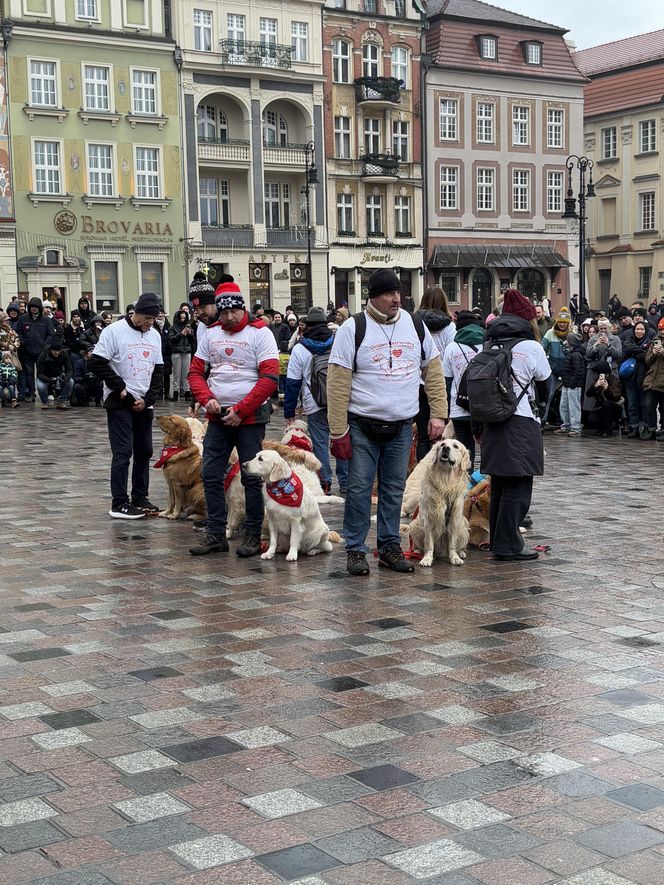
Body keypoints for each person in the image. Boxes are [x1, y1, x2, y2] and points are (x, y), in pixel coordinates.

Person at [327, 268, 447, 576]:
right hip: (362, 425)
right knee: (358, 489)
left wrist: (438, 413)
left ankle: (390, 546)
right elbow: (338, 382)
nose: (397, 298)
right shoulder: (353, 328)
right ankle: (355, 549)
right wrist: (338, 430)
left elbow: (432, 370)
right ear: (373, 297)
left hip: (402, 426)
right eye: (389, 294)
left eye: (399, 293)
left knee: (394, 490)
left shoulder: (415, 325)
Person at [188, 281, 279, 557]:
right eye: (224, 313)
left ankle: (252, 535)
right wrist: (207, 399)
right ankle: (216, 533)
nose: (228, 318)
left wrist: (241, 410)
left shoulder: (260, 334)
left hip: (249, 418)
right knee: (210, 473)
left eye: (234, 312)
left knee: (252, 477)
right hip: (217, 416)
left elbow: (269, 378)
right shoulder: (211, 333)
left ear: (243, 308)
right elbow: (195, 373)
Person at [479, 289, 551, 562]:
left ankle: (499, 539)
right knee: (517, 487)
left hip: (492, 420)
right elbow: (545, 383)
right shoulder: (531, 346)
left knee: (499, 484)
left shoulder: (490, 344)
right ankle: (509, 545)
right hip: (520, 420)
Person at [89, 292, 164, 519]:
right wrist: (120, 387)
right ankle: (119, 502)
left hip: (144, 402)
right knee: (123, 452)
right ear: (136, 313)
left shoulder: (154, 335)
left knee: (145, 451)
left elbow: (159, 370)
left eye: (154, 319)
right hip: (119, 401)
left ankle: (140, 496)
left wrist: (150, 398)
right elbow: (98, 363)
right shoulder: (114, 331)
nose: (150, 323)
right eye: (147, 319)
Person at [284, 305, 349, 495]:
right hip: (340, 401)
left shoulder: (300, 348)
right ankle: (345, 482)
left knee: (320, 444)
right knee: (341, 440)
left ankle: (325, 482)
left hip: (314, 403)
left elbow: (292, 383)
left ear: (306, 326)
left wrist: (289, 411)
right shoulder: (338, 342)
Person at [415, 286, 456, 461]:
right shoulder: (449, 326)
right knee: (439, 434)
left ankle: (420, 469)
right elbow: (450, 355)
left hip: (417, 382)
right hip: (440, 381)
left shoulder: (414, 323)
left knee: (422, 435)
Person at [442, 309, 485, 469]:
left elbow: (446, 380)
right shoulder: (487, 344)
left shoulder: (452, 348)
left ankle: (465, 485)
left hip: (459, 406)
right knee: (487, 448)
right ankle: (484, 486)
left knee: (464, 450)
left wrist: (446, 408)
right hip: (485, 407)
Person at [16, 297, 55, 401]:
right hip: (27, 351)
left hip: (41, 351)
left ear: (39, 308)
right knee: (29, 373)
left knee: (41, 373)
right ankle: (31, 393)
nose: (34, 309)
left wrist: (45, 345)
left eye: (36, 307)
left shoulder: (46, 319)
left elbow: (51, 334)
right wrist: (23, 341)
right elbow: (18, 331)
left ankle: (44, 393)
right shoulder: (23, 318)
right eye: (32, 307)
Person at [621, 319, 655, 438]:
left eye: (641, 329)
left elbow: (647, 358)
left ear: (645, 331)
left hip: (644, 378)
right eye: (637, 329)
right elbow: (624, 353)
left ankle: (646, 428)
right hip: (630, 378)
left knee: (645, 405)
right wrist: (639, 352)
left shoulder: (650, 342)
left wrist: (633, 352)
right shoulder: (628, 341)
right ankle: (634, 427)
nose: (639, 331)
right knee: (632, 405)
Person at [541, 309, 572, 427]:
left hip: (567, 368)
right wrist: (548, 362)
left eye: (564, 322)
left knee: (568, 397)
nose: (562, 324)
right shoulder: (550, 333)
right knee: (548, 395)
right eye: (560, 322)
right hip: (553, 368)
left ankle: (567, 423)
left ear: (568, 323)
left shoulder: (572, 333)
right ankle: (543, 420)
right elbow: (542, 347)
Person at [584, 317, 622, 413]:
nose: (603, 331)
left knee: (613, 392)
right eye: (601, 328)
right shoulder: (593, 339)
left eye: (605, 328)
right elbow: (587, 355)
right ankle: (590, 416)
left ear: (609, 327)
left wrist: (609, 345)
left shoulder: (616, 339)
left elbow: (618, 355)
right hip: (594, 368)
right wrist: (596, 345)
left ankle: (620, 417)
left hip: (611, 369)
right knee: (591, 393)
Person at [555, 331, 586, 437]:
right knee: (564, 406)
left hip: (573, 385)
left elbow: (578, 371)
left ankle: (575, 427)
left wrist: (572, 383)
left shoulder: (576, 355)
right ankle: (566, 425)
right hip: (567, 384)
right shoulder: (572, 353)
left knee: (574, 407)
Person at [586, 360, 623, 437]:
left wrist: (607, 389)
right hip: (601, 406)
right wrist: (595, 386)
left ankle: (608, 430)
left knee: (606, 406)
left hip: (613, 406)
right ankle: (601, 427)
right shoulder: (598, 380)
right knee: (592, 419)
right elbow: (588, 394)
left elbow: (616, 397)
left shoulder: (614, 380)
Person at [36, 339, 74, 410]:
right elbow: (39, 374)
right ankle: (45, 402)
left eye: (58, 351)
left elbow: (69, 369)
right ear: (51, 350)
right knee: (40, 386)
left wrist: (67, 378)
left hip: (59, 375)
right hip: (45, 375)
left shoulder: (64, 354)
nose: (57, 353)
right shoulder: (43, 355)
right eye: (55, 351)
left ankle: (61, 402)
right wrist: (49, 380)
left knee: (71, 382)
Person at [643, 320, 664, 440]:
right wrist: (655, 353)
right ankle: (651, 429)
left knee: (663, 407)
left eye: (663, 329)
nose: (661, 332)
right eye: (660, 330)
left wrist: (662, 353)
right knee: (649, 405)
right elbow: (647, 361)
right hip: (652, 379)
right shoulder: (654, 342)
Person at [169, 308, 195, 401]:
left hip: (186, 351)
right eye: (181, 318)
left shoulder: (189, 327)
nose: (183, 320)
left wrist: (190, 334)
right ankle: (175, 392)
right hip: (176, 352)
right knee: (176, 374)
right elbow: (172, 339)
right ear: (177, 318)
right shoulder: (173, 327)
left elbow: (192, 341)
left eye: (184, 318)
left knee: (186, 374)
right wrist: (181, 334)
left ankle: (187, 392)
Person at [70, 342, 103, 407]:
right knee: (77, 386)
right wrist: (84, 378)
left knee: (102, 383)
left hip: (94, 384)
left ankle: (98, 401)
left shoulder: (97, 362)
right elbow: (75, 378)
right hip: (84, 385)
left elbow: (102, 375)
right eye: (91, 351)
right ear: (86, 353)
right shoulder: (79, 362)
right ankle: (84, 400)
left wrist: (97, 377)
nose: (92, 353)